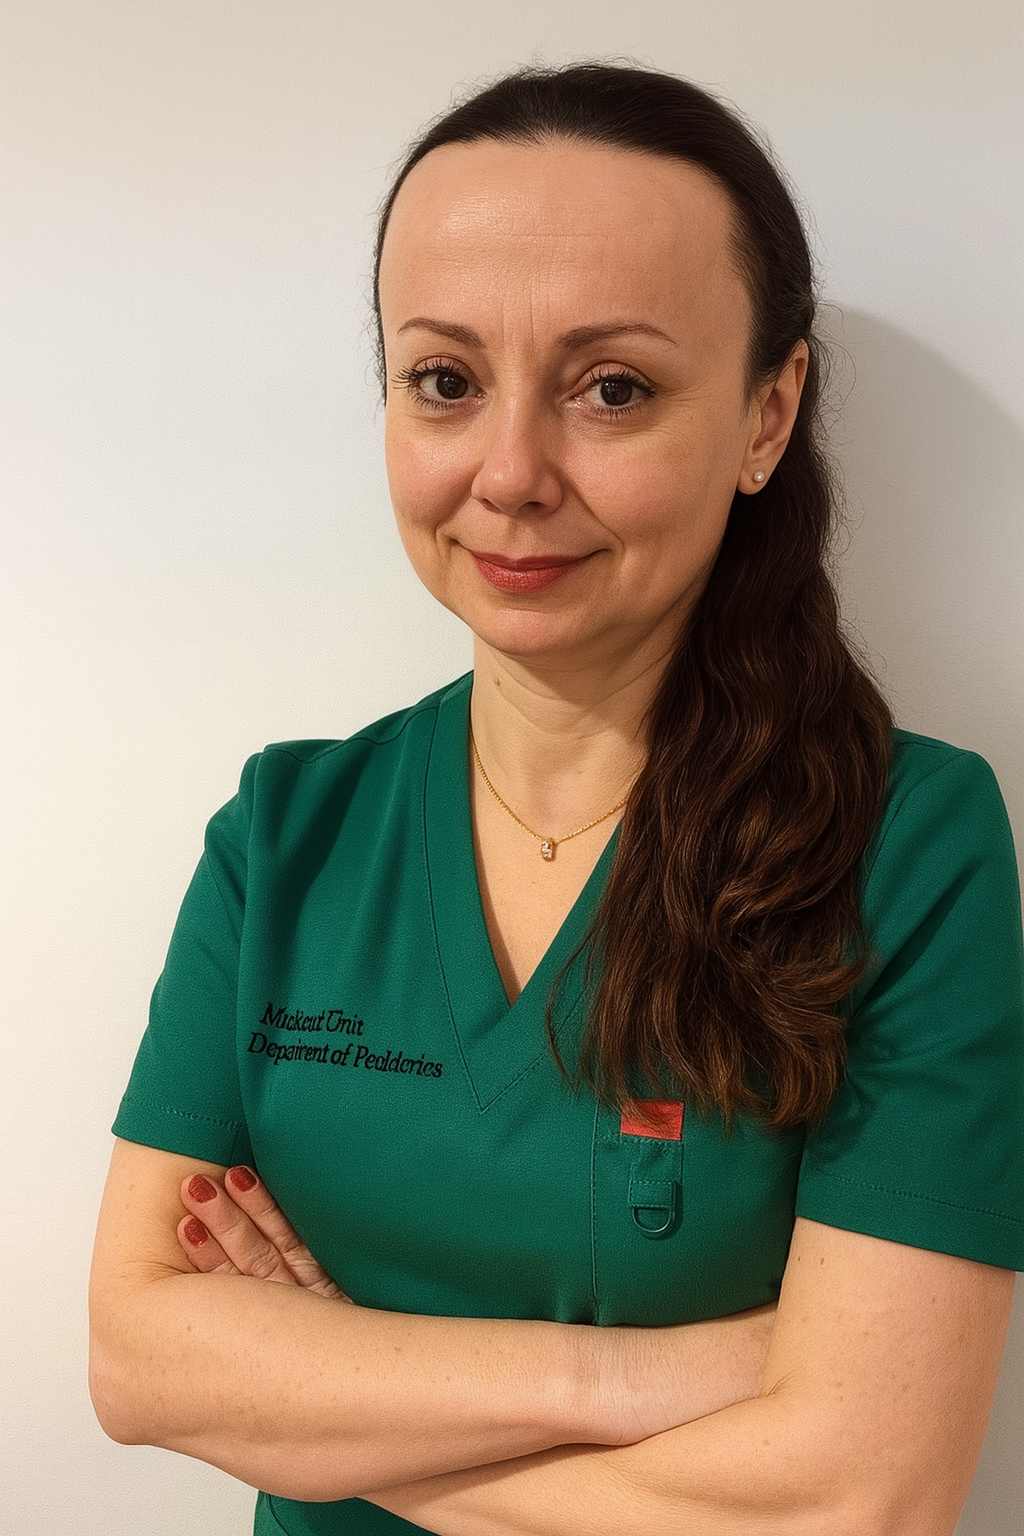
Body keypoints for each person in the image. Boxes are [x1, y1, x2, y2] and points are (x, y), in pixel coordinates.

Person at [89, 63, 1024, 1536]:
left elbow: (860, 1495)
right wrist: (642, 1382)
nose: (512, 473)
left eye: (614, 389)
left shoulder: (910, 851)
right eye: (446, 381)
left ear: (768, 415)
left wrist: (319, 1398)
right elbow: (140, 1363)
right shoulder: (287, 836)